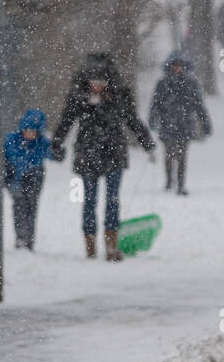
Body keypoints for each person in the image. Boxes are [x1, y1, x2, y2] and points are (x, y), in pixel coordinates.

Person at [51, 52, 156, 261]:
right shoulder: (78, 97)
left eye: (100, 81)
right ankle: (90, 248)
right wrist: (56, 143)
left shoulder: (120, 95)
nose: (96, 85)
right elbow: (66, 120)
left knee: (113, 200)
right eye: (93, 81)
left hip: (114, 153)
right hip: (87, 153)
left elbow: (132, 120)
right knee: (89, 200)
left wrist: (147, 143)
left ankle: (111, 246)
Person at [148, 50, 211, 196]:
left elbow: (199, 106)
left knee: (182, 156)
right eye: (174, 66)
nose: (177, 68)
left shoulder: (191, 84)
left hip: (184, 125)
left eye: (179, 66)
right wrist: (153, 119)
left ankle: (181, 184)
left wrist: (205, 123)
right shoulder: (162, 84)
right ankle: (170, 180)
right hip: (167, 125)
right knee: (169, 154)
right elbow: (155, 104)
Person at [0, 108, 52, 249]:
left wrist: (58, 149)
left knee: (31, 206)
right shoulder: (10, 141)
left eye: (33, 131)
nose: (29, 134)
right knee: (19, 204)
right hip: (14, 177)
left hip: (35, 177)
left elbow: (54, 154)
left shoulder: (42, 143)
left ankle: (28, 239)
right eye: (27, 130)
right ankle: (21, 237)